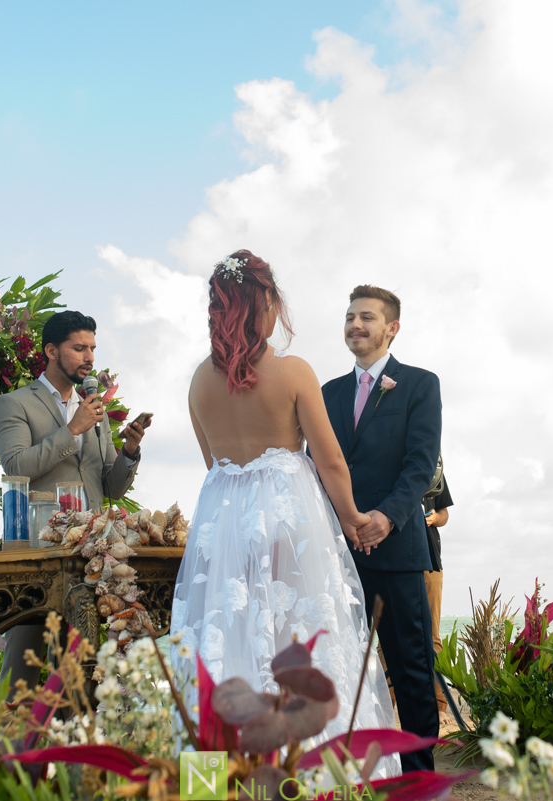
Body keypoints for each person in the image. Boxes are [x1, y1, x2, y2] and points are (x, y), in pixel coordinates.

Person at [169, 251, 399, 776]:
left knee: (225, 643)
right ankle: (317, 777)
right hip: (289, 517)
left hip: (223, 522)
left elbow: (214, 464)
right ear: (266, 303)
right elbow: (331, 459)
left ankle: (217, 781)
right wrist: (350, 519)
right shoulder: (294, 372)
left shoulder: (199, 382)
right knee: (302, 638)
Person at [0, 310, 150, 689]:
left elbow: (110, 487)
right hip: (39, 554)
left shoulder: (95, 410)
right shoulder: (13, 404)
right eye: (79, 348)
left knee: (86, 668)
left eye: (92, 348)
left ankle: (79, 740)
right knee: (21, 674)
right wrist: (73, 428)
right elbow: (15, 466)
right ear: (51, 351)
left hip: (92, 556)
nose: (89, 357)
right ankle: (9, 744)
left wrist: (129, 450)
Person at [321, 286, 442, 772]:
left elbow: (420, 463)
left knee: (412, 667)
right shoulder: (326, 392)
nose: (355, 325)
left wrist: (385, 518)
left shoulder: (419, 384)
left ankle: (417, 773)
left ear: (392, 328)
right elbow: (318, 463)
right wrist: (344, 520)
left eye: (367, 317)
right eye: (350, 316)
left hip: (396, 550)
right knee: (344, 666)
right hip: (338, 552)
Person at [422, 463, 454, 717]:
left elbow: (444, 514)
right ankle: (387, 707)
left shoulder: (434, 468)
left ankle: (439, 706)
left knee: (433, 637)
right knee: (389, 638)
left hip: (430, 560)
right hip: (395, 560)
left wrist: (434, 518)